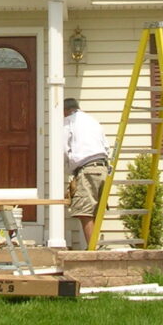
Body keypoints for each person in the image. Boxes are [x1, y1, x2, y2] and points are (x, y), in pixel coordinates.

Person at [64, 97, 110, 246]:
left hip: (87, 169)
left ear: (65, 111)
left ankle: (93, 250)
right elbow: (107, 147)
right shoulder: (92, 121)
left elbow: (64, 149)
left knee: (85, 212)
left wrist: (67, 170)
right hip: (103, 168)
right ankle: (96, 246)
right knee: (95, 211)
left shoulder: (69, 121)